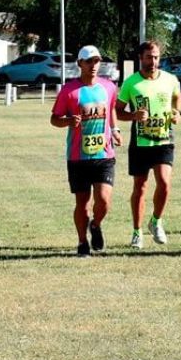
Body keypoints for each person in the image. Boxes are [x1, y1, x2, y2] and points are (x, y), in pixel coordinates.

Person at [50, 45, 121, 257]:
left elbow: (111, 110)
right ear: (80, 63)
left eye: (96, 61)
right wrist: (68, 121)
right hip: (78, 156)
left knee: (104, 201)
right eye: (89, 61)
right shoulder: (69, 91)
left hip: (104, 154)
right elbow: (54, 119)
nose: (93, 65)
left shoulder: (108, 87)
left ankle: (96, 225)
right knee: (82, 203)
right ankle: (82, 242)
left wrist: (115, 129)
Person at [116, 40, 181, 248]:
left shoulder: (170, 79)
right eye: (148, 57)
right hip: (141, 142)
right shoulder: (131, 83)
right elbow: (117, 111)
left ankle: (156, 221)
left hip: (164, 139)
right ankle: (137, 232)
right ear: (140, 58)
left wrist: (177, 112)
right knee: (140, 187)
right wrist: (134, 116)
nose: (152, 61)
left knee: (164, 182)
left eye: (155, 57)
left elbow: (176, 97)